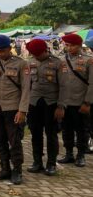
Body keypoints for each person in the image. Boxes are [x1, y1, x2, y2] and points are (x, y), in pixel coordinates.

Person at [0, 34, 31, 185]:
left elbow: (26, 89)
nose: (0, 54)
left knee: (14, 140)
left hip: (13, 108)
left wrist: (22, 111)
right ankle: (4, 168)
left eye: (3, 51)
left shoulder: (22, 64)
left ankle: (17, 170)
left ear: (10, 48)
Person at [24, 39, 64, 176]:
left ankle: (51, 163)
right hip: (34, 103)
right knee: (35, 133)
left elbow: (64, 87)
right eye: (34, 54)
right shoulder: (30, 62)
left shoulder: (58, 63)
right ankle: (37, 162)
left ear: (45, 51)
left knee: (51, 134)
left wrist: (61, 106)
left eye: (38, 54)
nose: (36, 57)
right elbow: (27, 85)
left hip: (51, 103)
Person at [57, 33, 93, 167]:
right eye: (67, 45)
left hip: (80, 102)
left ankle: (81, 155)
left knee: (82, 129)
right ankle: (69, 153)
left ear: (79, 46)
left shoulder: (89, 60)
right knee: (66, 129)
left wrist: (87, 102)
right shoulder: (61, 60)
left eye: (72, 45)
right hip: (65, 102)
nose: (69, 48)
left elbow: (92, 83)